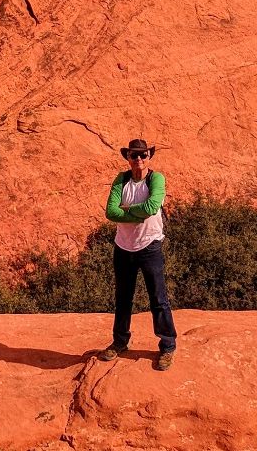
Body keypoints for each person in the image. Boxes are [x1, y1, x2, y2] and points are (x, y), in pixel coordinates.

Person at [98, 137, 177, 369]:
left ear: (149, 157)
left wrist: (127, 211)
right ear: (128, 158)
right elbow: (111, 212)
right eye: (134, 155)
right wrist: (137, 213)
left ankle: (167, 345)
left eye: (143, 155)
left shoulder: (156, 178)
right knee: (123, 299)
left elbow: (152, 207)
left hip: (150, 245)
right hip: (123, 247)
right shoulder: (121, 180)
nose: (139, 159)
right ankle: (120, 341)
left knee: (158, 299)